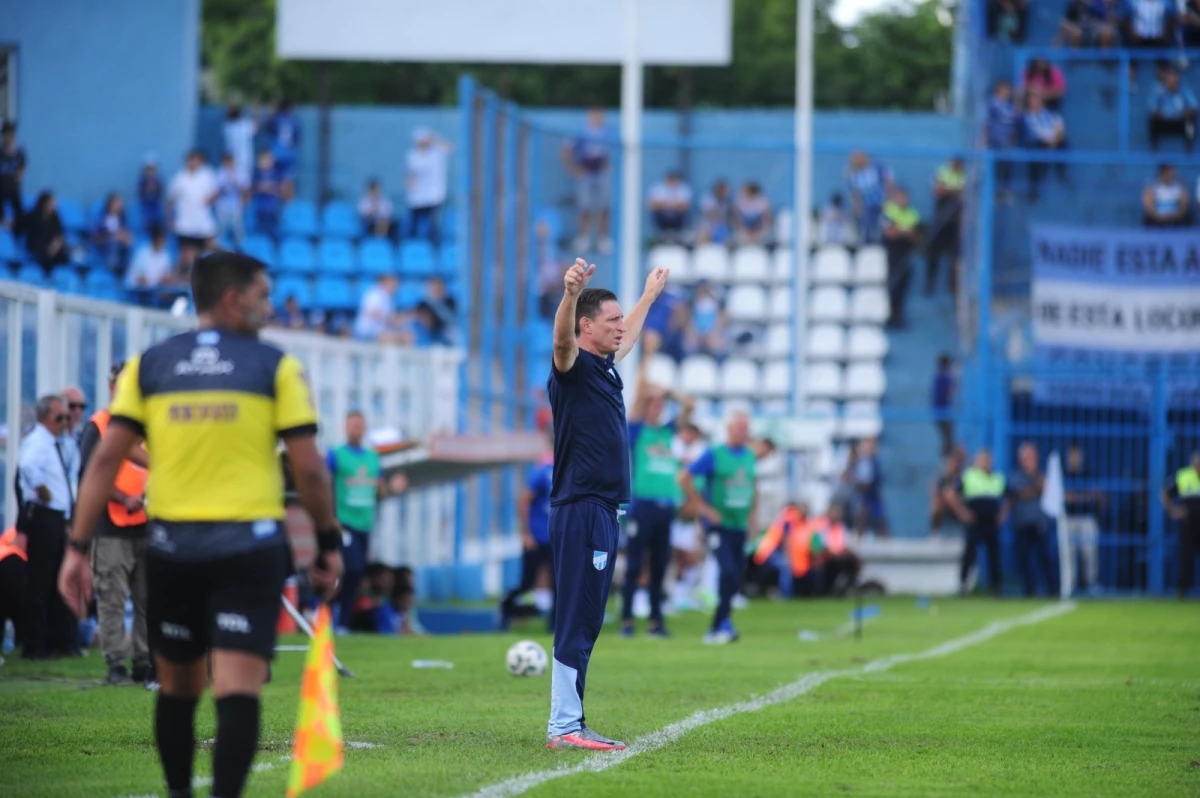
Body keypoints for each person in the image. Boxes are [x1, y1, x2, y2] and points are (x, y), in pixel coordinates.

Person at [58, 251, 345, 798]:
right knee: (238, 691)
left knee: (178, 691)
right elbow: (308, 468)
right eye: (263, 295)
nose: (270, 306)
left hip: (172, 548)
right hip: (248, 548)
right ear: (233, 300)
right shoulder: (276, 366)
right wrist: (327, 541)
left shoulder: (149, 365)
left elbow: (101, 462)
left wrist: (76, 547)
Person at [544, 257, 669, 751]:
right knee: (579, 614)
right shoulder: (572, 367)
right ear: (586, 328)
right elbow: (559, 342)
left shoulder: (604, 367)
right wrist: (570, 293)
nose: (622, 327)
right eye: (611, 320)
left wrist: (648, 296)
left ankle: (569, 722)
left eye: (622, 319)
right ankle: (564, 726)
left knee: (589, 614)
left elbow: (631, 335)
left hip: (601, 508)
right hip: (582, 506)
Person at [78, 362, 154, 685]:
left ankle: (144, 663)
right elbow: (90, 478)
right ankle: (115, 666)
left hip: (149, 525)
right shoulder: (100, 425)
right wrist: (124, 499)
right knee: (112, 598)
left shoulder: (150, 425)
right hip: (111, 527)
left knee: (147, 600)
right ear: (111, 387)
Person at [620, 332, 695, 638]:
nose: (656, 409)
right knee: (636, 564)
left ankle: (655, 621)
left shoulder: (667, 431)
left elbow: (690, 406)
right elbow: (637, 395)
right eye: (653, 405)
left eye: (659, 405)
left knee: (660, 567)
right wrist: (648, 354)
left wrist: (668, 392)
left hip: (667, 506)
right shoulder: (638, 430)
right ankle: (626, 620)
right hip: (644, 504)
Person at [679, 410, 757, 645]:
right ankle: (720, 624)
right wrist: (704, 509)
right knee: (728, 570)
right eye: (740, 427)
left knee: (735, 577)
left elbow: (753, 489)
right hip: (719, 526)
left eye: (746, 427)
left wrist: (753, 519)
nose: (744, 431)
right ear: (729, 429)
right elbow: (684, 477)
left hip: (739, 525)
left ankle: (720, 624)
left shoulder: (749, 456)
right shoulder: (715, 454)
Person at [326, 411, 406, 634]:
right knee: (351, 567)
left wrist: (394, 488)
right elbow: (324, 485)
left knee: (357, 572)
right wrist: (329, 518)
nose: (356, 429)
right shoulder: (336, 455)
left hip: (365, 525)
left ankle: (342, 623)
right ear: (345, 427)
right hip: (344, 523)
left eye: (360, 425)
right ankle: (332, 615)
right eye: (353, 425)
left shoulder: (373, 458)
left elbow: (380, 492)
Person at [18, 395, 80, 660]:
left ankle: (55, 641)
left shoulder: (56, 442)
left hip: (57, 516)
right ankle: (35, 644)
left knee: (55, 579)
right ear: (44, 417)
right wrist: (40, 488)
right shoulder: (38, 441)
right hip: (44, 516)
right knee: (41, 581)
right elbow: (27, 465)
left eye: (67, 417)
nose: (64, 422)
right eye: (60, 417)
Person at [499, 432, 555, 632]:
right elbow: (524, 500)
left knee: (559, 583)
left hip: (557, 539)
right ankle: (506, 609)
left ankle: (554, 627)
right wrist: (526, 534)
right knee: (527, 582)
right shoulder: (543, 472)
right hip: (537, 537)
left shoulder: (569, 470)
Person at [945, 448, 1011, 596]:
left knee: (994, 555)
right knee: (969, 553)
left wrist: (1003, 514)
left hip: (991, 522)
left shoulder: (997, 477)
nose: (985, 464)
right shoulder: (969, 476)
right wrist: (962, 513)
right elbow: (950, 494)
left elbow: (1010, 496)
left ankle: (995, 587)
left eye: (988, 461)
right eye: (983, 461)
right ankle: (963, 585)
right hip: (975, 521)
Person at [1010, 442, 1056, 598]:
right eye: (1025, 457)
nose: (1028, 460)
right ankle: (1030, 591)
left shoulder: (1040, 474)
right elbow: (1020, 493)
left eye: (1031, 457)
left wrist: (1035, 480)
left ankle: (1052, 590)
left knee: (1046, 558)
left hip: (1040, 523)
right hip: (1022, 523)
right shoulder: (1015, 476)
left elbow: (1046, 489)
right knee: (1024, 559)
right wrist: (1036, 489)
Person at [1160, 450, 1200, 600]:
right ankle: (1183, 590)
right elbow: (1165, 493)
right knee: (1186, 556)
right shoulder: (1183, 475)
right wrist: (1173, 511)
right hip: (1188, 523)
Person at [0, 120, 26, 234]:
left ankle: (18, 229)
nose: (9, 137)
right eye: (7, 134)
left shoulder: (18, 151)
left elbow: (23, 165)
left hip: (13, 186)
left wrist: (18, 176)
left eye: (11, 134)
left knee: (19, 211)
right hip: (1, 185)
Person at [932, 354, 956, 455]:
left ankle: (948, 457)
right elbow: (949, 391)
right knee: (947, 438)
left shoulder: (939, 376)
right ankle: (948, 457)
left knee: (947, 438)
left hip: (940, 411)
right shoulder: (943, 377)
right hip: (942, 412)